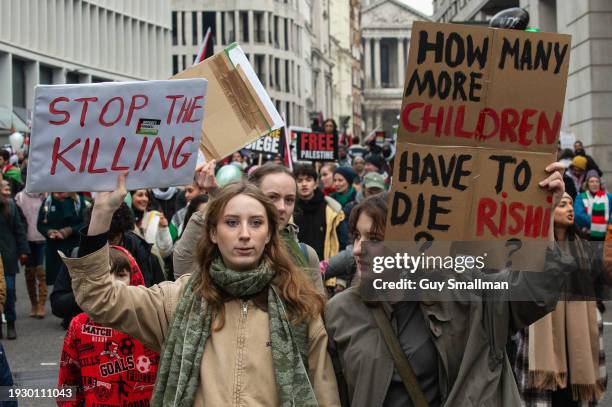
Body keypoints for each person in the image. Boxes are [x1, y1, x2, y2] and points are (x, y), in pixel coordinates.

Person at [61, 175, 340, 406]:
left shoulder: (298, 304)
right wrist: (101, 213)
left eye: (256, 223)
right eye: (231, 222)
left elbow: (324, 391)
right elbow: (98, 296)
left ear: (269, 234)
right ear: (213, 233)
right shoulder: (179, 299)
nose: (244, 233)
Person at [325, 162, 580, 407]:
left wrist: (543, 215)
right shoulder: (339, 311)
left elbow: (533, 293)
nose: (358, 249)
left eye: (374, 238)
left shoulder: (462, 293)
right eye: (356, 236)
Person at [511, 192, 609, 406]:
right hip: (542, 338)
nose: (570, 209)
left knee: (570, 399)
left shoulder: (582, 246)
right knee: (548, 396)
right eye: (562, 205)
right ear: (548, 211)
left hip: (576, 342)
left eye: (571, 204)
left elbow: (600, 283)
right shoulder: (532, 247)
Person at [174, 162, 325, 293]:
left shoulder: (305, 255)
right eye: (272, 197)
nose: (281, 207)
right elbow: (183, 271)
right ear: (252, 195)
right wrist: (216, 201)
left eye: (289, 200)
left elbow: (317, 311)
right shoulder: (232, 249)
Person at [57, 245, 159, 407]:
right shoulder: (80, 325)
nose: (113, 282)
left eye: (120, 275)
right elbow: (68, 379)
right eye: (104, 276)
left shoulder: (150, 318)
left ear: (134, 278)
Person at [51, 203, 166, 329]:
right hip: (89, 337)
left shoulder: (145, 256)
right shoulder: (78, 256)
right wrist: (90, 291)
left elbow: (162, 303)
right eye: (100, 237)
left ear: (122, 232)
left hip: (132, 336)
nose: (107, 243)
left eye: (112, 237)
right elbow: (58, 306)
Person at [293, 163, 347, 260]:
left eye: (308, 180)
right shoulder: (289, 211)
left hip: (324, 269)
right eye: (300, 181)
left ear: (316, 184)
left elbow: (342, 242)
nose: (304, 184)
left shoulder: (331, 210)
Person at [37, 192, 85, 286]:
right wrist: (49, 232)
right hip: (54, 250)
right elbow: (40, 224)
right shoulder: (48, 201)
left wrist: (70, 230)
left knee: (74, 283)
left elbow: (86, 223)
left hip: (74, 249)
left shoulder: (79, 201)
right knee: (57, 284)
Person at [0, 189, 29, 339]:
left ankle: (11, 322)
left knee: (9, 291)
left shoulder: (10, 205)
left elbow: (19, 228)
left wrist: (23, 250)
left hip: (7, 257)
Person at [15, 190, 47, 318]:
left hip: (42, 239)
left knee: (41, 272)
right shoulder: (20, 197)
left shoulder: (45, 195)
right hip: (26, 240)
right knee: (29, 273)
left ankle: (41, 304)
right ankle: (33, 303)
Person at [574, 171, 612, 241]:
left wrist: (609, 223)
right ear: (587, 184)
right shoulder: (580, 197)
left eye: (597, 181)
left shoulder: (609, 197)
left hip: (606, 236)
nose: (594, 184)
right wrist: (600, 223)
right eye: (591, 181)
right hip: (586, 235)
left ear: (600, 184)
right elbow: (578, 215)